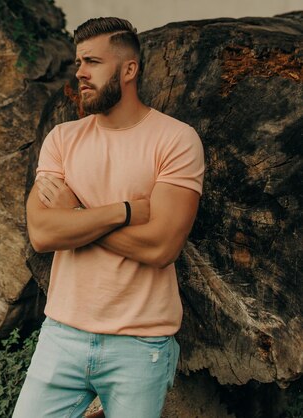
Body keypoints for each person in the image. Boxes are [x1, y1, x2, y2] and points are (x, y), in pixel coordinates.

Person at [13, 17, 205, 418]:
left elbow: (161, 246)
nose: (80, 72)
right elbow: (43, 233)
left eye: (93, 62)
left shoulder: (175, 140)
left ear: (129, 69)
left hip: (140, 344)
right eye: (78, 61)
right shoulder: (63, 139)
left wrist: (76, 219)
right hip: (61, 335)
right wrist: (126, 211)